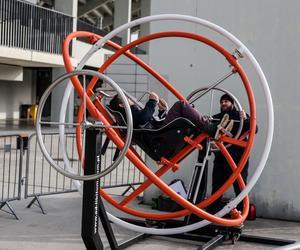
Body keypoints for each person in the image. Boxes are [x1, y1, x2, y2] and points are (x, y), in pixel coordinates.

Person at [108, 92, 233, 139]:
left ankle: (213, 127)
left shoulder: (130, 111)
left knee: (187, 109)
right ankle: (210, 128)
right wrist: (152, 102)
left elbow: (148, 121)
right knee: (181, 105)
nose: (129, 98)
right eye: (125, 98)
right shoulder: (129, 113)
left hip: (158, 130)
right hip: (159, 134)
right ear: (121, 105)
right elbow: (142, 120)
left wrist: (162, 111)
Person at [210, 94, 257, 213]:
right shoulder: (217, 118)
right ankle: (212, 212)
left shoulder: (240, 116)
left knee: (240, 188)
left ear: (232, 103)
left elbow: (254, 129)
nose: (224, 103)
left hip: (238, 159)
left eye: (226, 101)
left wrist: (246, 119)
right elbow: (208, 133)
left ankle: (242, 212)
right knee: (217, 187)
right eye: (222, 102)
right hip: (221, 159)